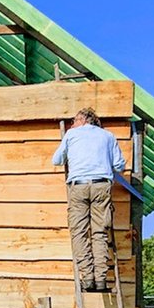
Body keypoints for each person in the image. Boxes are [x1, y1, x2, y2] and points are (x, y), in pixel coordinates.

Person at [51, 107, 126, 292]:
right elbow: (119, 165)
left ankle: (88, 279)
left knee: (79, 232)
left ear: (83, 119)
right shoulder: (108, 136)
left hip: (78, 186)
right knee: (100, 233)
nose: (72, 124)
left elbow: (57, 160)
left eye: (74, 121)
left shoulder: (71, 135)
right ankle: (100, 280)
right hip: (101, 186)